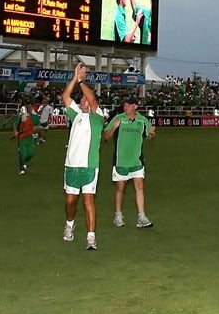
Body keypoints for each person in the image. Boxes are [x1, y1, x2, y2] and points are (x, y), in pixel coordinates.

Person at [62, 63, 105, 250]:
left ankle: (91, 237)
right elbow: (65, 97)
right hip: (71, 165)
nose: (83, 102)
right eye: (82, 100)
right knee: (70, 201)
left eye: (85, 100)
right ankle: (70, 224)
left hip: (89, 166)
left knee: (88, 200)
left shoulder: (98, 116)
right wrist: (74, 79)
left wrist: (82, 82)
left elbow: (93, 99)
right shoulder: (76, 115)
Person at [103, 95, 156, 228]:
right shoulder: (118, 118)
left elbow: (149, 136)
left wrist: (152, 134)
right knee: (121, 188)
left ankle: (141, 216)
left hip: (137, 160)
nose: (125, 107)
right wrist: (114, 127)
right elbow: (106, 137)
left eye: (128, 105)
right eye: (124, 105)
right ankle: (118, 215)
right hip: (121, 160)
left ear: (135, 106)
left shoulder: (142, 120)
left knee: (139, 186)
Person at [13, 100, 37, 175]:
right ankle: (21, 168)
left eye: (31, 107)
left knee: (31, 153)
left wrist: (36, 129)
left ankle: (25, 162)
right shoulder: (22, 116)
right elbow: (15, 124)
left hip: (30, 137)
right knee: (22, 153)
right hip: (22, 137)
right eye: (28, 107)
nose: (30, 108)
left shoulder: (34, 117)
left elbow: (38, 125)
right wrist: (16, 132)